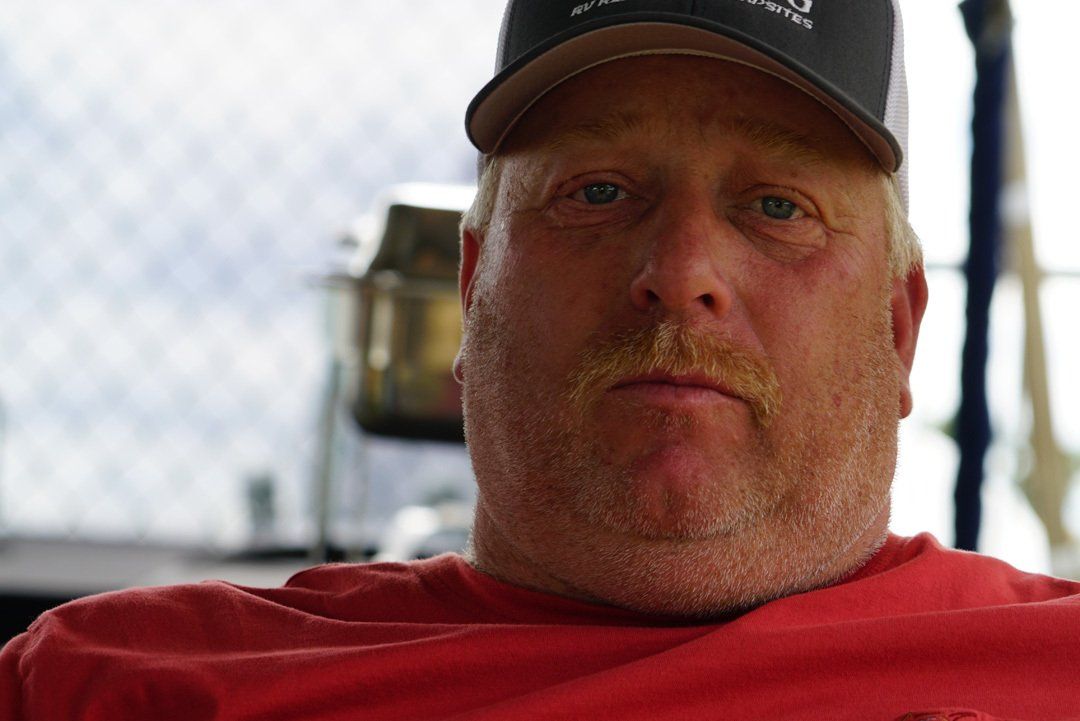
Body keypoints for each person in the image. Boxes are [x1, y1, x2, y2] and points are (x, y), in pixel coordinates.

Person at [3, 1, 1079, 719]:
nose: (680, 268)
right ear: (473, 293)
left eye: (776, 205)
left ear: (898, 328)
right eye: (598, 191)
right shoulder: (121, 682)